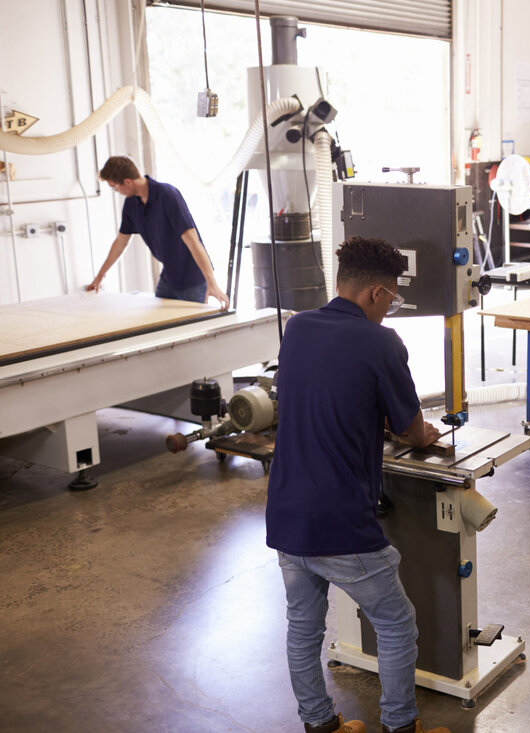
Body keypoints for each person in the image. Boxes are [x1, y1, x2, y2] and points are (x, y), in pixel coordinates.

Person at [265, 236, 449, 733]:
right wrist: (421, 432)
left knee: (303, 627)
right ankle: (400, 726)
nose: (391, 309)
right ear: (376, 293)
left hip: (286, 512)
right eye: (393, 298)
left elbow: (325, 393)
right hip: (340, 518)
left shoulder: (298, 327)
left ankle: (320, 725)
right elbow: (412, 426)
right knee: (395, 623)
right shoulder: (380, 341)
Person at [86, 155, 229, 309]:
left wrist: (211, 282)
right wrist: (100, 276)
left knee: (193, 327)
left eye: (115, 187)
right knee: (159, 320)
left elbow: (192, 240)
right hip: (169, 276)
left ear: (127, 181)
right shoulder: (131, 204)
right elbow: (120, 242)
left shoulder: (167, 195)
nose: (116, 191)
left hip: (192, 278)